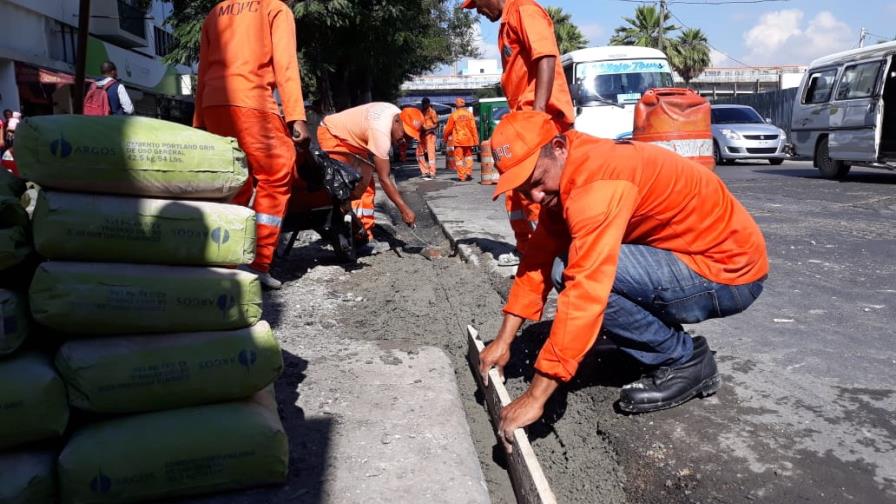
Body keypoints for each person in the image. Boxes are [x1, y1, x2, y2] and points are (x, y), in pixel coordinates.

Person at [480, 111, 768, 450]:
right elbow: (536, 261)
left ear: (558, 147)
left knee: (579, 273)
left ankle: (684, 360)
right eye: (525, 189)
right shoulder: (567, 174)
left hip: (728, 272)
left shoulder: (595, 184)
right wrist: (504, 340)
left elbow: (587, 290)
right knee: (562, 264)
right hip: (692, 257)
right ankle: (650, 340)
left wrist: (536, 395)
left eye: (537, 181)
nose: (536, 198)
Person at [193, 0, 310, 290]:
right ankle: (257, 263)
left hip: (214, 104)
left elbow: (203, 67)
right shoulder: (275, 9)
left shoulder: (216, 12)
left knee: (237, 181)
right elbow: (285, 64)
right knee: (276, 173)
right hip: (251, 101)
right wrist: (296, 115)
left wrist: (199, 120)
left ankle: (225, 259)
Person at [462, 0, 575, 266]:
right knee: (516, 190)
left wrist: (536, 116)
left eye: (476, 4)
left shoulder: (524, 10)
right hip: (524, 120)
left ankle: (552, 255)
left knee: (538, 188)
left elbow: (545, 56)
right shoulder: (507, 20)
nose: (477, 10)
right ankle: (529, 249)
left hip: (537, 122)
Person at [316, 102, 417, 250]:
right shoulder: (381, 132)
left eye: (409, 138)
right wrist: (404, 208)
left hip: (354, 142)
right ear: (397, 121)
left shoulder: (395, 113)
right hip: (333, 135)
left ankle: (365, 235)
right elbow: (384, 178)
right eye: (404, 134)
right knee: (346, 185)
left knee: (366, 186)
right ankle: (348, 235)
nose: (405, 140)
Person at [442, 98, 479, 182]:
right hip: (468, 140)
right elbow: (473, 128)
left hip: (458, 141)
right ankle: (468, 173)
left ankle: (462, 176)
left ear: (456, 106)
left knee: (459, 160)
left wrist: (445, 139)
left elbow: (448, 129)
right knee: (468, 157)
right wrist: (476, 140)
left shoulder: (454, 115)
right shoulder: (469, 114)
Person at [419, 97, 439, 180]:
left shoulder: (432, 112)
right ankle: (424, 171)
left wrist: (428, 129)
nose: (423, 105)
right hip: (422, 135)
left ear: (428, 103)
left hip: (430, 135)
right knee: (419, 154)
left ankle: (432, 172)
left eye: (425, 103)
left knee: (430, 154)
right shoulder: (420, 112)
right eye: (422, 103)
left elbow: (436, 124)